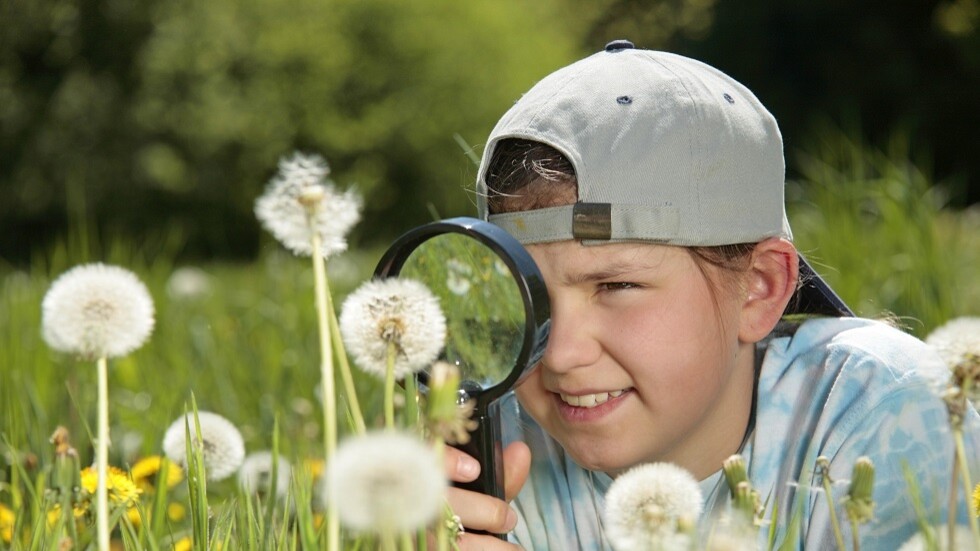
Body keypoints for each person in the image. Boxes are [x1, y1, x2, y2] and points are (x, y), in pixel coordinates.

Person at [442, 40, 980, 550]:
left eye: (616, 285)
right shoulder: (489, 441)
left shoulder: (893, 417)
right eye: (530, 291)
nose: (558, 353)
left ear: (760, 288)